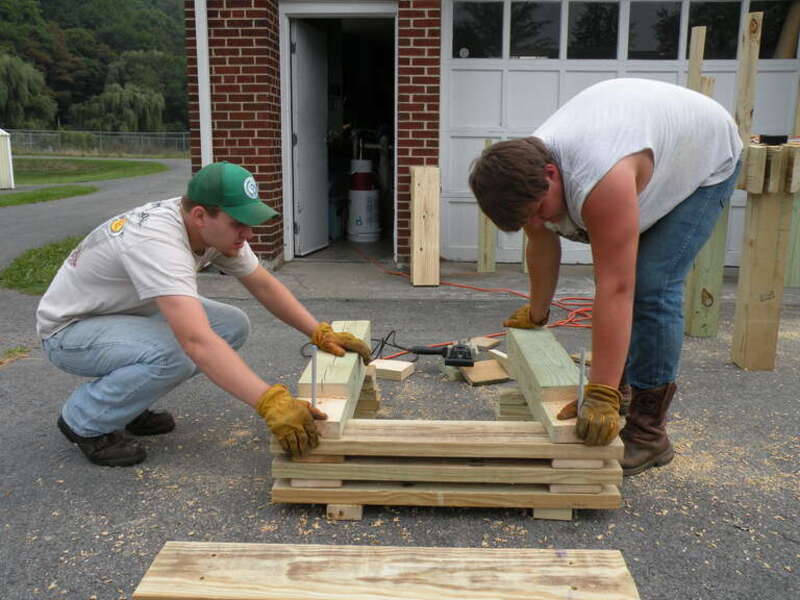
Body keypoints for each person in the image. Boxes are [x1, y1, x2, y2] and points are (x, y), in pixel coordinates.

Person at [469, 78, 742, 476]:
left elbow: (616, 287)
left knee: (652, 286)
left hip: (705, 156)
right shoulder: (525, 178)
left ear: (551, 173)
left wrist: (599, 394)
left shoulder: (599, 178)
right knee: (623, 268)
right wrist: (538, 311)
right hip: (641, 138)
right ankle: (622, 389)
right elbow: (541, 240)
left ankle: (650, 434)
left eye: (538, 210)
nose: (538, 221)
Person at [36, 161, 371, 467]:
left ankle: (126, 405)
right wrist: (270, 402)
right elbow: (196, 341)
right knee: (176, 354)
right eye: (239, 223)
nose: (249, 234)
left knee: (231, 326)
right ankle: (85, 420)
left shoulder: (211, 229)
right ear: (200, 215)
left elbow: (264, 285)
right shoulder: (156, 241)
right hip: (70, 332)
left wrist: (318, 332)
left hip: (123, 314)